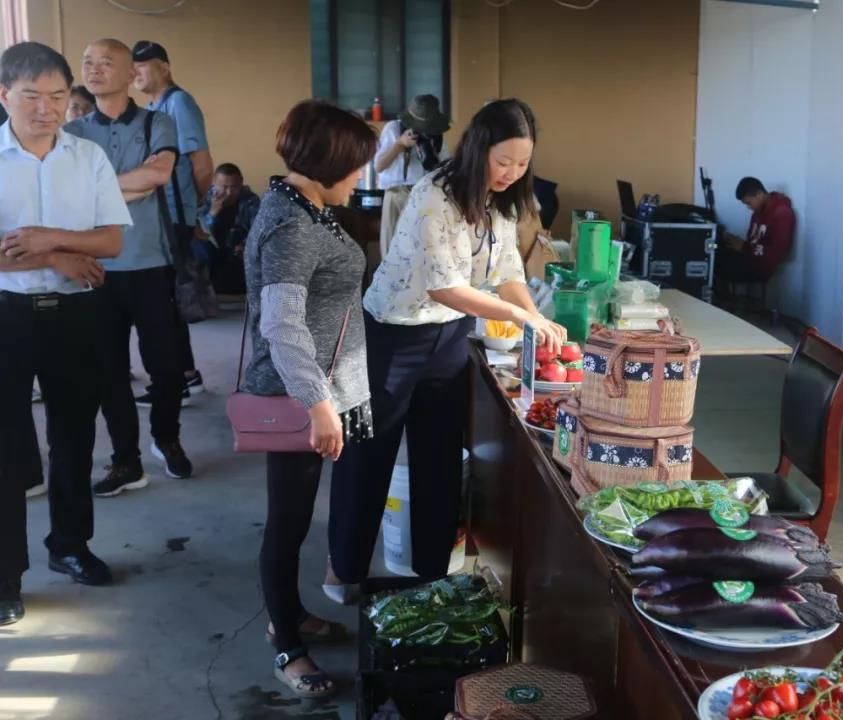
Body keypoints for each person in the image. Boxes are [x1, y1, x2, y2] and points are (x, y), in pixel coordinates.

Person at [328, 99, 566, 593]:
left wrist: (536, 316)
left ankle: (432, 573)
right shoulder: (433, 194)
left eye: (522, 163)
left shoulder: (502, 202)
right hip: (393, 335)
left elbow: (507, 274)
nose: (511, 173)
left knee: (439, 459)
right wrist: (520, 316)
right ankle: (345, 568)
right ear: (479, 149)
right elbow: (444, 287)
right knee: (370, 455)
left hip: (450, 337)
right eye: (503, 161)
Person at [241, 100, 377, 698]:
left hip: (318, 386)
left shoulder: (304, 206)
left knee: (296, 519)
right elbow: (282, 323)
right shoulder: (292, 225)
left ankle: (290, 613)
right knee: (288, 522)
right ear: (329, 162)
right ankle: (286, 644)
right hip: (299, 395)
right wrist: (318, 404)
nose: (360, 177)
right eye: (355, 166)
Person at [0, 41, 131, 626]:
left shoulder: (88, 156)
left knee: (74, 437)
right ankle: (5, 577)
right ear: (5, 95)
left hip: (76, 314)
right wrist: (59, 257)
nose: (46, 108)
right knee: (5, 449)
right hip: (6, 314)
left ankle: (70, 545)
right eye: (32, 96)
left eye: (57, 96)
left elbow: (111, 241)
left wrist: (47, 239)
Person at [67, 39, 193, 494]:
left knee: (166, 365)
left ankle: (167, 438)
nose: (94, 69)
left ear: (129, 74)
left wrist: (96, 190)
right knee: (109, 371)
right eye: (88, 62)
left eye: (106, 62)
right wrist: (130, 186)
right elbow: (70, 192)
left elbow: (158, 174)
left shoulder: (157, 121)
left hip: (151, 262)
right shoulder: (73, 132)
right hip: (97, 266)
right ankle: (125, 461)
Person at [132, 40, 213, 403]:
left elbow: (202, 166)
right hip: (162, 218)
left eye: (143, 65)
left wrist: (194, 214)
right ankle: (187, 374)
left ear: (164, 67)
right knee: (167, 301)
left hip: (175, 219)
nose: (136, 72)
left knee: (167, 302)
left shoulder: (178, 103)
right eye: (133, 66)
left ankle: (180, 379)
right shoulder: (154, 108)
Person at [374, 94, 451, 258]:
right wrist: (399, 144)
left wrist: (431, 154)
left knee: (420, 250)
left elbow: (446, 169)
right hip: (397, 194)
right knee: (391, 249)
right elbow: (379, 166)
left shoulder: (436, 135)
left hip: (424, 195)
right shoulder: (394, 129)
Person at [717, 176, 795, 286]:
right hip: (750, 258)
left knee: (717, 262)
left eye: (749, 203)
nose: (748, 207)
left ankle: (722, 296)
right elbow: (751, 242)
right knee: (716, 251)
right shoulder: (757, 212)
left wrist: (743, 247)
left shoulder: (782, 213)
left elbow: (775, 254)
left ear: (759, 194)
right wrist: (737, 244)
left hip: (761, 267)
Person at [197, 162, 260, 296]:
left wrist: (245, 244)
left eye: (234, 187)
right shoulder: (204, 199)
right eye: (224, 187)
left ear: (241, 182)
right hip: (211, 252)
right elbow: (200, 232)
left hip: (238, 252)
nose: (229, 192)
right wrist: (213, 212)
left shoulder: (250, 201)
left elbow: (258, 230)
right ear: (214, 183)